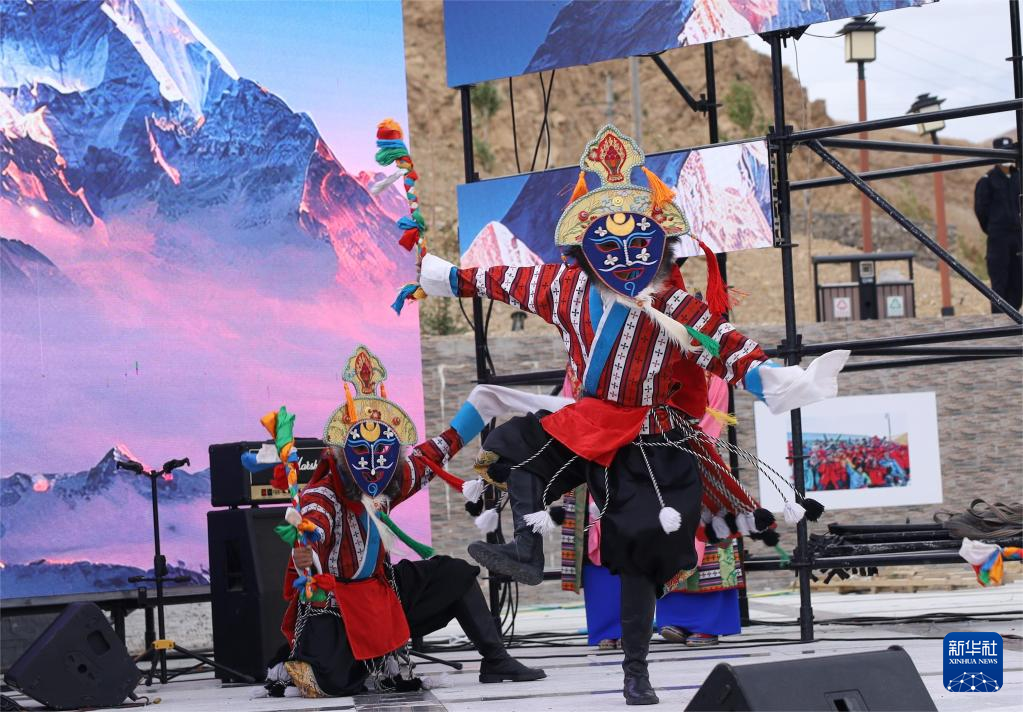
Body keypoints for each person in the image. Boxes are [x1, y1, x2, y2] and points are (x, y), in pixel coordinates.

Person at [413, 125, 849, 705]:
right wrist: (445, 277)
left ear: (657, 248)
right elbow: (505, 280)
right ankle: (526, 550)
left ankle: (636, 671)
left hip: (651, 439)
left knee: (640, 552)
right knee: (516, 451)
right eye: (607, 246)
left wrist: (777, 379)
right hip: (590, 422)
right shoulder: (564, 288)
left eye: (637, 245)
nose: (622, 257)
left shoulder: (671, 302)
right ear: (585, 248)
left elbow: (725, 345)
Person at [274, 347, 546, 698]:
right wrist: (306, 546)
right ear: (343, 454)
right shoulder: (324, 494)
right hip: (341, 607)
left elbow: (433, 454)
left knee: (454, 574)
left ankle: (496, 660)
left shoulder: (391, 480)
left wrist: (479, 409)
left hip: (383, 592)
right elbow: (315, 522)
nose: (374, 465)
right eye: (362, 453)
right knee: (334, 681)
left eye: (383, 453)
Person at [974, 137, 1022, 311]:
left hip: (1018, 237)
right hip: (998, 238)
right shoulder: (987, 180)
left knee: (1018, 281)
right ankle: (1000, 321)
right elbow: (981, 210)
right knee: (1000, 282)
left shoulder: (1019, 177)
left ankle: (1015, 318)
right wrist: (994, 229)